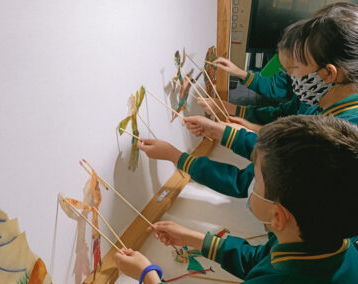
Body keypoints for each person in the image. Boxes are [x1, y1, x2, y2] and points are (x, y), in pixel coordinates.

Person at [139, 4, 358, 199]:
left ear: (329, 73)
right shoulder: (321, 101)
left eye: (295, 69)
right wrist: (227, 127)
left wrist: (177, 156)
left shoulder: (334, 140)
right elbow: (284, 127)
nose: (291, 79)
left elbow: (253, 178)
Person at [115, 115, 358, 283]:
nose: (251, 179)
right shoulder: (327, 246)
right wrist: (196, 239)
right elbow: (262, 261)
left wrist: (147, 274)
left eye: (257, 178)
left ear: (278, 216)